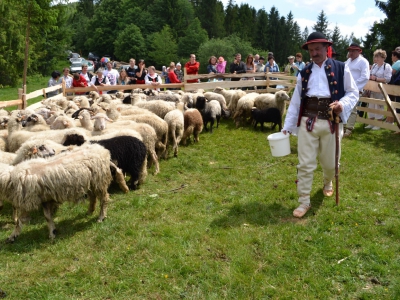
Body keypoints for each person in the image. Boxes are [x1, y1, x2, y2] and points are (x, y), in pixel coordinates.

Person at [282, 32, 358, 218]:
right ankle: (304, 201)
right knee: (305, 163)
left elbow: (353, 92)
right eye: (311, 49)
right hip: (308, 121)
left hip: (332, 121)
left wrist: (342, 104)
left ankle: (327, 181)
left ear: (326, 48)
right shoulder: (304, 72)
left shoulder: (341, 68)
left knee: (330, 162)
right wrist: (287, 126)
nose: (314, 53)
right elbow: (296, 101)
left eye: (317, 49)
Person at [343, 43, 370, 137]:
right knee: (344, 107)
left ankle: (349, 129)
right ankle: (343, 127)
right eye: (350, 50)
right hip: (346, 88)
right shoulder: (348, 61)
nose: (351, 52)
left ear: (359, 51)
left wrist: (353, 85)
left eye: (353, 50)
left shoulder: (363, 62)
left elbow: (365, 77)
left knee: (352, 109)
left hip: (356, 89)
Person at [365, 49, 392, 130]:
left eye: (378, 57)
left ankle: (378, 124)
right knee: (371, 105)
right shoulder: (374, 66)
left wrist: (376, 78)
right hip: (372, 88)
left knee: (378, 105)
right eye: (375, 56)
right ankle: (371, 123)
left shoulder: (386, 66)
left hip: (381, 89)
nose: (376, 58)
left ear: (383, 57)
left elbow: (388, 79)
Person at [386, 48, 400, 124]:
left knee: (394, 104)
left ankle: (391, 120)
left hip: (396, 87)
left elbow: (391, 74)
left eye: (392, 55)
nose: (391, 57)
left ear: (395, 56)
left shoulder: (397, 63)